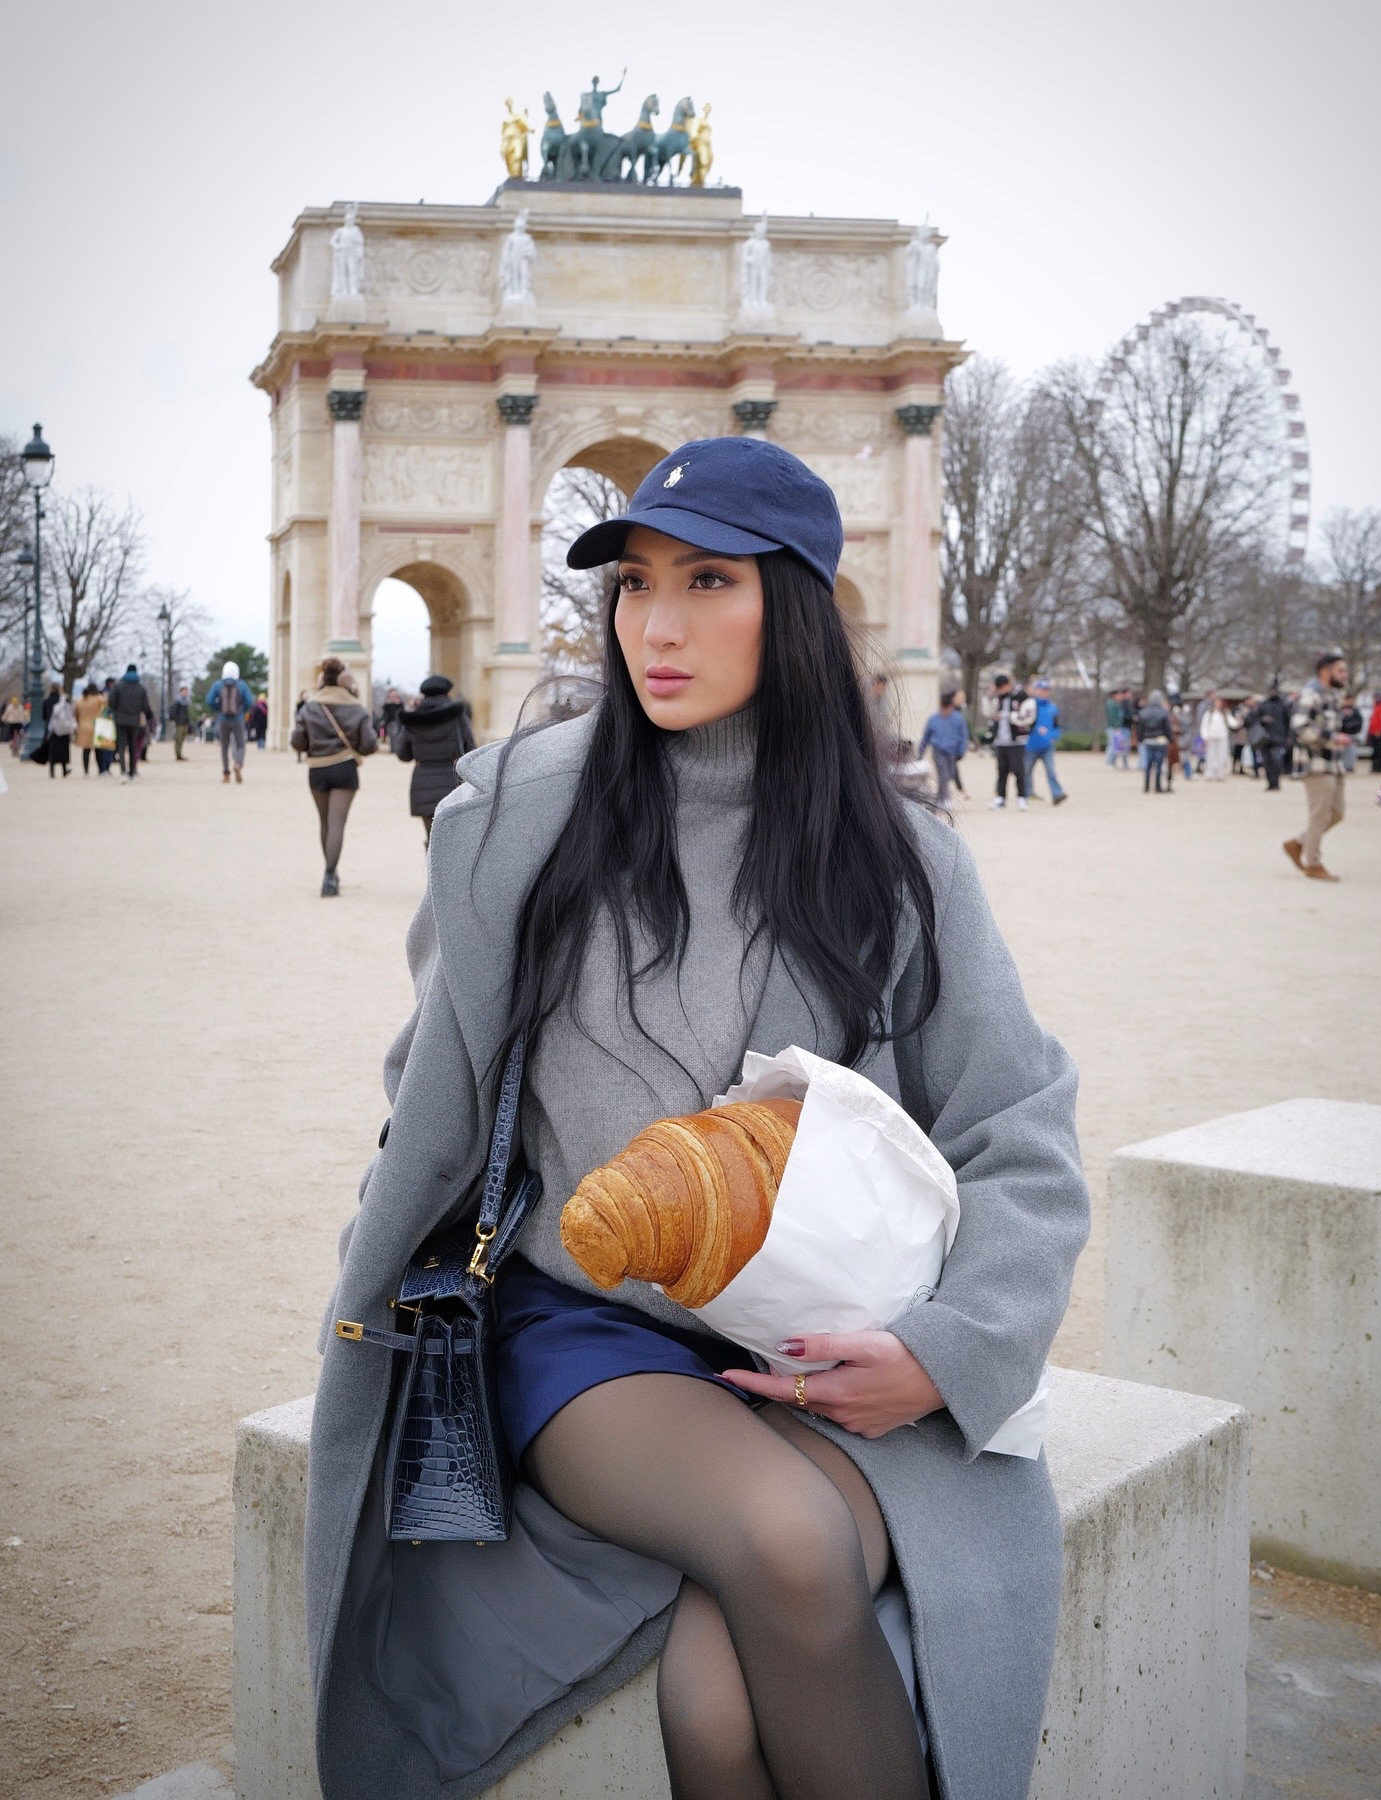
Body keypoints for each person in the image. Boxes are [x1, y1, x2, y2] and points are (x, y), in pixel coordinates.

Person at [305, 438, 1088, 1800]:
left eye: (707, 581)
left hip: (827, 1341)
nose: (654, 626)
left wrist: (947, 1353)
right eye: (633, 584)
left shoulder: (905, 859)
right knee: (788, 1540)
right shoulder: (517, 818)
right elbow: (427, 1100)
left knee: (718, 1708)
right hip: (587, 1333)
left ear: (795, 608)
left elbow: (1019, 1126)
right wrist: (366, 1308)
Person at [290, 656, 378, 895]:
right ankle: (330, 875)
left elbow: (297, 742)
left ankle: (330, 871)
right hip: (344, 767)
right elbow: (369, 745)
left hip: (317, 769)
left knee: (324, 822)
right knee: (337, 822)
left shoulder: (310, 707)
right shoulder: (356, 707)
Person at [1283, 650, 1352, 881]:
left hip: (1332, 762)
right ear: (1325, 672)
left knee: (1337, 813)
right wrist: (1331, 737)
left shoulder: (1332, 696)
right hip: (1314, 763)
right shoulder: (1310, 696)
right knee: (1319, 815)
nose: (1345, 675)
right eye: (1340, 670)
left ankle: (1299, 843)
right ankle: (1313, 863)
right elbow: (1299, 727)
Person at [391, 674, 478, 844]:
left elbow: (403, 755)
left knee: (432, 839)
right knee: (454, 839)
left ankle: (431, 861)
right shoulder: (457, 715)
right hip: (451, 781)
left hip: (423, 782)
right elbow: (470, 750)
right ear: (447, 693)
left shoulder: (412, 719)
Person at [984, 672, 1035, 809]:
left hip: (1017, 740)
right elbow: (988, 712)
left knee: (1019, 770)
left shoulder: (1022, 696)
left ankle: (1022, 797)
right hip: (1001, 740)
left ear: (1008, 685)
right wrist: (989, 695)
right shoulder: (998, 698)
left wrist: (1006, 716)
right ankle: (1000, 797)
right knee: (1002, 771)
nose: (1000, 691)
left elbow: (1028, 717)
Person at [915, 687, 969, 808]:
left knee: (949, 775)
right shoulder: (933, 719)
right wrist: (920, 753)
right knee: (943, 774)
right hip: (938, 751)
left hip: (952, 752)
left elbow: (964, 736)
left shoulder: (958, 719)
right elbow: (926, 737)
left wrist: (961, 751)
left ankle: (939, 798)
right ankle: (945, 798)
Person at [208, 660, 256, 784]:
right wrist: (242, 710)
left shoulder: (218, 685)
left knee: (224, 747)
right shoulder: (242, 685)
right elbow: (249, 701)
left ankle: (226, 774)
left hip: (223, 719)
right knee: (240, 745)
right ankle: (238, 764)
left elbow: (209, 700)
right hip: (238, 719)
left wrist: (218, 709)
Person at [1023, 677, 1067, 804]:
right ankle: (1027, 793)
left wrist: (1053, 736)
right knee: (1026, 771)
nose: (1044, 692)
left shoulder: (1053, 708)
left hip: (1047, 745)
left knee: (1051, 771)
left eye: (1046, 690)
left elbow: (1056, 726)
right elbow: (1025, 723)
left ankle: (1057, 793)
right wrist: (1036, 729)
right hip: (1030, 745)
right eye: (1042, 690)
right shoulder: (1030, 706)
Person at [109, 664, 155, 779]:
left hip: (120, 720)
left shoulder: (118, 687)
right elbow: (145, 706)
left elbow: (112, 702)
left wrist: (113, 711)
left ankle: (123, 771)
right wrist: (149, 716)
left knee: (121, 746)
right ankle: (132, 771)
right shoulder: (140, 688)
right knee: (132, 746)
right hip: (134, 721)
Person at [1135, 689, 1173, 793]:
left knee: (1148, 764)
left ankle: (1146, 786)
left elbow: (1140, 728)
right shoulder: (1164, 712)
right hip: (1161, 741)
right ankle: (1157, 786)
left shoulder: (1143, 712)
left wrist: (1141, 739)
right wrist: (1170, 739)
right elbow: (1167, 728)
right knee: (1159, 764)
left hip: (1148, 740)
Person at [1255, 685, 1290, 792]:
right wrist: (1263, 719)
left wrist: (1288, 736)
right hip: (1266, 738)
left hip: (1279, 736)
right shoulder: (1264, 704)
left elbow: (1288, 721)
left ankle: (1276, 782)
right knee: (1267, 762)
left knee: (1277, 760)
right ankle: (1270, 783)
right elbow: (1256, 718)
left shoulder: (1283, 704)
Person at [1199, 690, 1235, 779]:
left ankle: (1220, 774)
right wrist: (1205, 737)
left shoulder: (1225, 713)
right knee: (1211, 756)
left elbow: (1232, 722)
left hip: (1222, 736)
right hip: (1211, 737)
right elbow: (1204, 726)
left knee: (1222, 756)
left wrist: (1239, 721)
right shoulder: (1209, 713)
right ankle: (1210, 773)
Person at [42, 683, 75, 777]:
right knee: (63, 749)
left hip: (52, 729)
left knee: (52, 750)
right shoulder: (63, 701)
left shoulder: (46, 701)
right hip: (63, 728)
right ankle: (64, 769)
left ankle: (52, 770)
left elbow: (44, 716)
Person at [73, 683, 106, 774]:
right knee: (99, 750)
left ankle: (86, 771)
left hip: (84, 727)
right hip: (97, 726)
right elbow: (105, 712)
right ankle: (101, 770)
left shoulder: (80, 700)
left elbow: (76, 714)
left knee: (86, 750)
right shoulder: (100, 699)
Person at [1365, 690, 1381, 775]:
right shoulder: (1377, 705)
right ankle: (1376, 766)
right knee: (1376, 751)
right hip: (1374, 732)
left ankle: (1378, 767)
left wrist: (1378, 730)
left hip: (1379, 733)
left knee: (1379, 751)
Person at [168, 685, 192, 759]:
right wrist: (175, 720)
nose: (185, 693)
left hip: (184, 722)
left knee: (182, 739)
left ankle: (179, 754)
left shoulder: (186, 702)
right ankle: (178, 755)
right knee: (178, 739)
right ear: (181, 692)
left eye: (186, 691)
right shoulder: (177, 702)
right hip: (179, 723)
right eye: (184, 691)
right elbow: (173, 712)